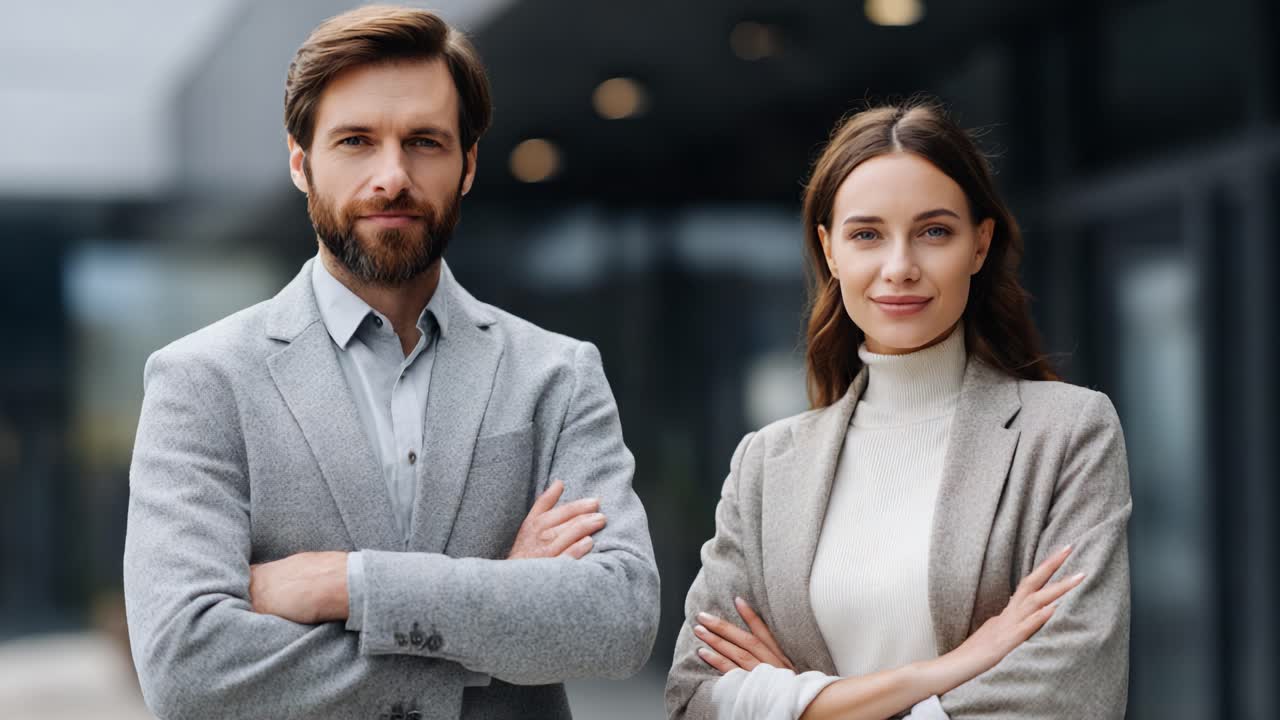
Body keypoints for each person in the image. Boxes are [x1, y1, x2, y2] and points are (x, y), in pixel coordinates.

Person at [122, 6, 659, 719]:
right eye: (355, 141)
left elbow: (619, 620)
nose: (392, 176)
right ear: (300, 162)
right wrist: (498, 605)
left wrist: (346, 584)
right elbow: (186, 668)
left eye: (424, 142)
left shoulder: (556, 374)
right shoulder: (201, 381)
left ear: (468, 165)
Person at [666, 99, 1131, 719]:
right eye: (867, 235)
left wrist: (801, 704)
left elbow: (1066, 695)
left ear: (980, 243)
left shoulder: (1067, 433)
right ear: (830, 251)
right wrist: (937, 673)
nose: (900, 268)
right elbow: (694, 696)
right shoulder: (767, 464)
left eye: (934, 232)